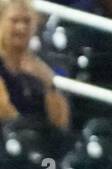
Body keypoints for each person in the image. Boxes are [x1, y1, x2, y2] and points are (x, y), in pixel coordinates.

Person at [0, 0, 70, 130]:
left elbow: (61, 122)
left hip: (41, 141)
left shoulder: (42, 64)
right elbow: (4, 112)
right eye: (14, 21)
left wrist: (48, 82)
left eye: (27, 21)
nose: (21, 27)